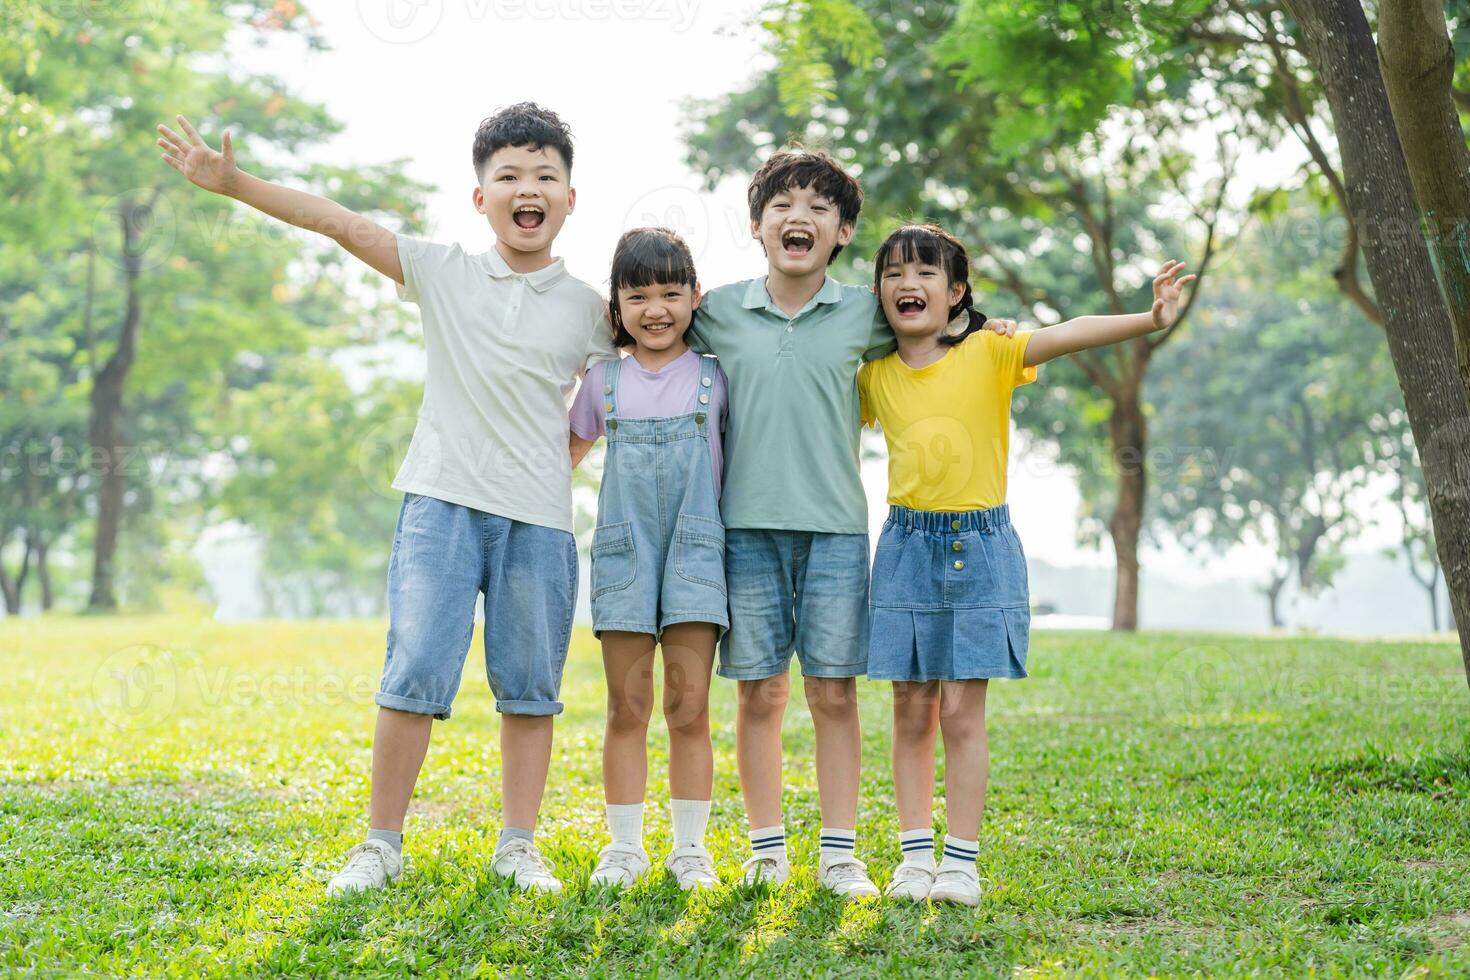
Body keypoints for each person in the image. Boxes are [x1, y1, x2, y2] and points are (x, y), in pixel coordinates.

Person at [157, 102, 616, 896]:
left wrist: (558, 461)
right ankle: (380, 844)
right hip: (440, 504)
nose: (527, 188)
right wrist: (233, 183)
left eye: (546, 175)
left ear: (571, 198)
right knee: (413, 675)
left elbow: (607, 399)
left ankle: (518, 844)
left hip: (540, 521)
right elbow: (339, 223)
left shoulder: (591, 310)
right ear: (482, 198)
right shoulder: (444, 271)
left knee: (531, 688)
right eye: (508, 175)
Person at [686, 148, 1014, 898]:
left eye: (818, 208)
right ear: (757, 225)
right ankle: (767, 850)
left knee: (833, 693)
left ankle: (840, 856)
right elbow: (657, 332)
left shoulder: (863, 314)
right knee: (760, 693)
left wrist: (991, 328)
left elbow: (933, 333)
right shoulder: (719, 313)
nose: (798, 217)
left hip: (836, 530)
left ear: (842, 232)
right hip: (744, 530)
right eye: (782, 205)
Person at [860, 223, 1195, 906]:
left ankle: (961, 862)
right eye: (893, 273)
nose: (907, 284)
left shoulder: (991, 349)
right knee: (910, 710)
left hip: (978, 549)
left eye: (926, 273)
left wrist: (1151, 317)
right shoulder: (872, 374)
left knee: (961, 713)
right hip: (902, 549)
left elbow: (1070, 331)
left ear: (956, 293)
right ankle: (914, 857)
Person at [568, 228, 729, 892]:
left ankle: (690, 849)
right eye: (637, 296)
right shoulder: (601, 380)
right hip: (624, 557)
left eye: (670, 292)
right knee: (627, 706)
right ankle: (625, 848)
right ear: (616, 307)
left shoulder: (718, 376)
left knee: (689, 706)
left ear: (696, 297)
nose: (654, 309)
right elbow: (558, 462)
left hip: (698, 555)